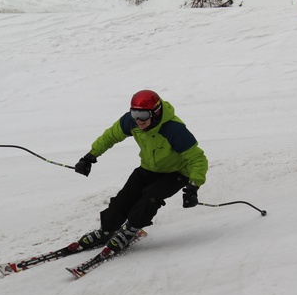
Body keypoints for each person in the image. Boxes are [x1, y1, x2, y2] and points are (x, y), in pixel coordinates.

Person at [73, 89, 208, 253]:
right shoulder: (131, 122)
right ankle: (106, 230)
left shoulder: (173, 129)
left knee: (150, 197)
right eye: (135, 113)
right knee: (124, 198)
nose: (138, 120)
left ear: (156, 112)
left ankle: (131, 229)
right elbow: (110, 136)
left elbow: (198, 159)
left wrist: (193, 187)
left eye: (143, 115)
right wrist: (89, 157)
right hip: (149, 168)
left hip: (177, 172)